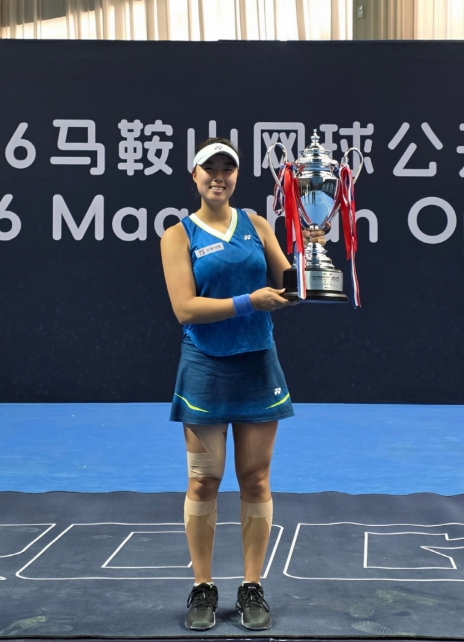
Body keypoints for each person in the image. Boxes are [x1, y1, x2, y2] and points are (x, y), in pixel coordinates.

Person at [160, 137, 326, 631]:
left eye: (227, 169)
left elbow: (289, 286)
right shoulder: (178, 235)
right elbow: (185, 309)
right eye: (209, 168)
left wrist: (311, 256)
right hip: (205, 368)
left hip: (258, 365)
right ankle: (203, 587)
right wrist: (249, 302)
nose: (219, 177)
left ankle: (252, 585)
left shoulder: (257, 225)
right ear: (194, 176)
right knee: (203, 480)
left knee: (255, 479)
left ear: (235, 176)